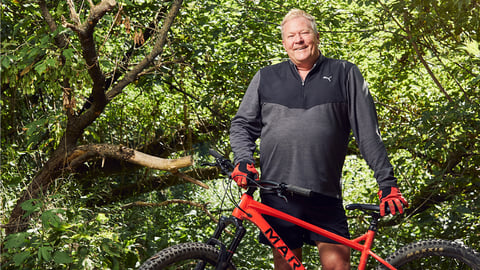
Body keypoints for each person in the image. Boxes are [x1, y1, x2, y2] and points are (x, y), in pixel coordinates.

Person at [229, 8, 408, 270]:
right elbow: (242, 124)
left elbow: (368, 133)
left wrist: (387, 182)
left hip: (324, 193)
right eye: (291, 35)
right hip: (277, 195)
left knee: (338, 266)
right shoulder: (266, 77)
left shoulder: (345, 73)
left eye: (304, 33)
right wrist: (243, 159)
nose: (298, 40)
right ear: (284, 43)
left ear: (317, 36)